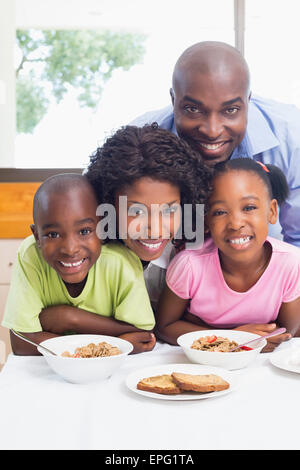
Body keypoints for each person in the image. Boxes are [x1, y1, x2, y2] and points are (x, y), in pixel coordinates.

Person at [131, 41, 300, 247]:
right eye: (193, 109)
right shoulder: (140, 140)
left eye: (230, 110)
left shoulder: (291, 138)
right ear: (173, 99)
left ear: (249, 100)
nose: (212, 131)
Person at [156, 158, 300, 353]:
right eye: (220, 212)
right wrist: (233, 338)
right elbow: (165, 327)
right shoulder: (190, 265)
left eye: (249, 208)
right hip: (204, 363)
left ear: (272, 211)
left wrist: (198, 327)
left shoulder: (290, 263)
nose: (235, 223)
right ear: (206, 221)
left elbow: (289, 333)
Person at [2, 173, 156, 355]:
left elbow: (142, 336)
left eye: (84, 231)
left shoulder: (121, 261)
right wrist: (112, 342)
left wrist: (70, 318)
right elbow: (22, 344)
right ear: (37, 237)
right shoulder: (31, 255)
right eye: (53, 234)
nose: (70, 249)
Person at [86, 124, 212, 309]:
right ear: (108, 204)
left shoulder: (193, 259)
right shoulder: (86, 255)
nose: (155, 229)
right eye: (137, 212)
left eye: (169, 211)